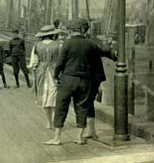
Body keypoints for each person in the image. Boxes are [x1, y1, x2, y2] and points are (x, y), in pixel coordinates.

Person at [44, 18, 116, 146]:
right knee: (82, 107)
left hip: (68, 79)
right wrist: (114, 54)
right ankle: (79, 137)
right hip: (85, 81)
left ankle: (57, 138)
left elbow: (60, 63)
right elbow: (104, 52)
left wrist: (56, 76)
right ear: (83, 30)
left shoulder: (67, 43)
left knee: (61, 107)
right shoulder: (91, 44)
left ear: (71, 31)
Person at [81, 22, 117, 139]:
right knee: (88, 102)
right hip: (91, 77)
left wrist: (113, 54)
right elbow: (104, 51)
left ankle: (89, 130)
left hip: (90, 77)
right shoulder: (93, 41)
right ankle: (90, 130)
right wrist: (113, 55)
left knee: (85, 102)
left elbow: (103, 51)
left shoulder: (90, 42)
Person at [28, 25, 62, 130]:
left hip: (41, 72)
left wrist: (34, 70)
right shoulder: (59, 45)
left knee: (44, 96)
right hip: (54, 72)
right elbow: (62, 61)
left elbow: (33, 62)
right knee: (55, 96)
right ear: (52, 35)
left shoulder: (37, 46)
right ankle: (55, 121)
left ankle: (49, 122)